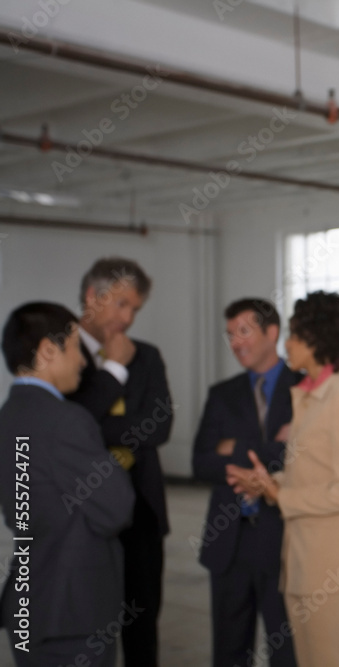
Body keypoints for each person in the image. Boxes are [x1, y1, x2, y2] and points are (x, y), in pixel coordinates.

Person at [226, 291, 339, 667]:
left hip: (331, 566)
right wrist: (268, 481)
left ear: (318, 339)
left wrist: (280, 495)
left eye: (293, 334)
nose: (286, 343)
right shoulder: (309, 395)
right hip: (303, 560)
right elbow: (311, 471)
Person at [0, 302, 134, 666]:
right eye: (75, 347)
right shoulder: (65, 421)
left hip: (29, 602)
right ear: (48, 350)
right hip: (71, 610)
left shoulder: (9, 416)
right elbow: (116, 509)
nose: (82, 361)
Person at [68, 257, 173, 666]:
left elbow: (160, 428)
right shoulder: (59, 353)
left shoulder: (146, 356)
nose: (128, 318)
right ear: (93, 297)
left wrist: (98, 425)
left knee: (142, 629)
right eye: (122, 305)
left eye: (135, 309)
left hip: (142, 514)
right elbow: (71, 429)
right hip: (81, 515)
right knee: (86, 628)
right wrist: (114, 374)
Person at [192, 298, 301, 667]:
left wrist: (233, 447)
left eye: (243, 332)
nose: (235, 342)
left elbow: (302, 459)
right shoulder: (222, 393)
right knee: (229, 652)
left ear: (272, 333)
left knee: (286, 651)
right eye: (229, 336)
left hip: (283, 541)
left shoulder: (304, 389)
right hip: (229, 544)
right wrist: (265, 449)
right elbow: (201, 461)